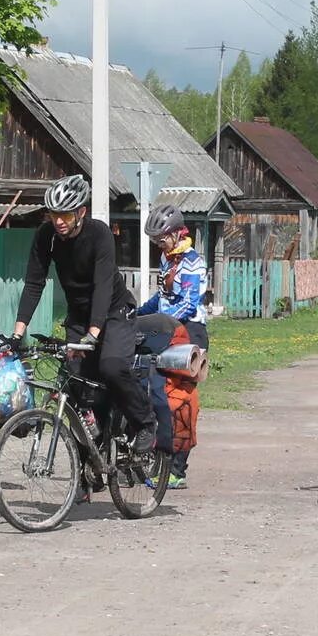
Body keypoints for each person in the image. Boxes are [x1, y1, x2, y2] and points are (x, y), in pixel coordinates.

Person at [10, 175, 157, 462]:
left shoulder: (99, 234)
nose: (59, 221)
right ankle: (94, 450)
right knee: (75, 381)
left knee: (112, 366)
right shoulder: (45, 236)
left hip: (114, 312)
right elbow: (33, 284)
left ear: (81, 212)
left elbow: (102, 286)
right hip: (78, 315)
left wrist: (93, 333)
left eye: (65, 214)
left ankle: (145, 423)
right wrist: (17, 334)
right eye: (54, 214)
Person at [137, 203, 208, 488]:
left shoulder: (193, 261)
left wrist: (161, 321)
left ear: (178, 233)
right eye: (155, 240)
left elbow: (189, 304)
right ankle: (153, 456)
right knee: (154, 394)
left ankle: (177, 470)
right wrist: (139, 313)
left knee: (179, 400)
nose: (159, 244)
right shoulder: (168, 259)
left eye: (162, 238)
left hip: (189, 332)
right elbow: (163, 297)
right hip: (167, 329)